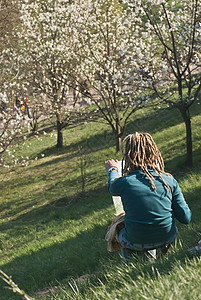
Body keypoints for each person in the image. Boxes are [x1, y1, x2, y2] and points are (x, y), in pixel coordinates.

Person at [105, 132, 191, 263]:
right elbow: (186, 218)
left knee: (119, 227)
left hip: (135, 240)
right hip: (167, 237)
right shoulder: (168, 180)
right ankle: (157, 264)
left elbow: (112, 188)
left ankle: (130, 269)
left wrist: (112, 170)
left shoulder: (125, 182)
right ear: (155, 152)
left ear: (128, 155)